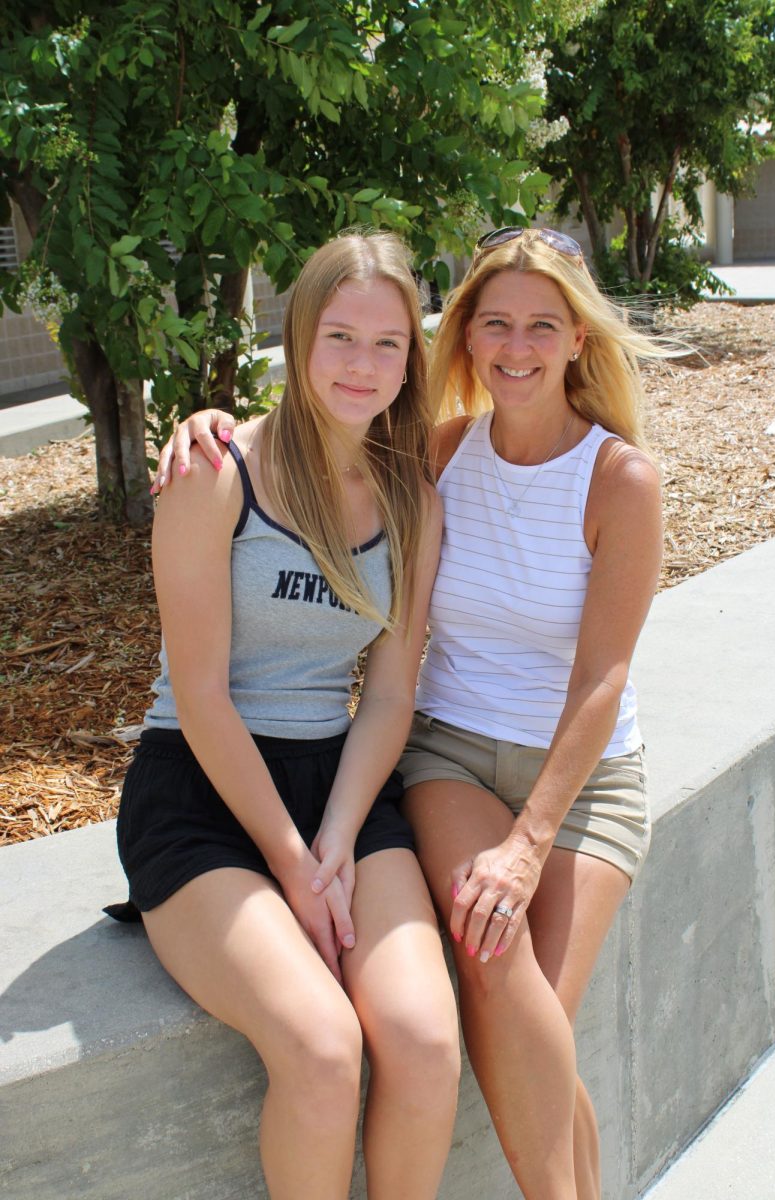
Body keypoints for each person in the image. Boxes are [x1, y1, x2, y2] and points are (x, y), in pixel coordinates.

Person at [158, 225, 667, 1200]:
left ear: (577, 340)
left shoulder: (617, 481)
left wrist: (529, 843)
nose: (515, 346)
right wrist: (208, 419)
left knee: (528, 1029)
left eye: (541, 325)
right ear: (466, 336)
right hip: (449, 760)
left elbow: (601, 682)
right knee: (497, 974)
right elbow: (308, 437)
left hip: (582, 776)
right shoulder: (434, 456)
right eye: (494, 323)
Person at [109, 231, 460, 1200]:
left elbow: (388, 694)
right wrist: (294, 864)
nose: (362, 365)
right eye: (339, 336)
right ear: (298, 335)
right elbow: (204, 691)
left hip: (337, 785)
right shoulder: (218, 469)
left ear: (411, 358)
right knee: (319, 1044)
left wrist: (337, 841)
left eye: (387, 344)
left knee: (426, 1042)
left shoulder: (412, 502)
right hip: (204, 791)